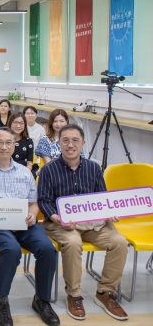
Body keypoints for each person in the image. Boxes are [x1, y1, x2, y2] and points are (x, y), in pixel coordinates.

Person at [38, 124, 129, 321]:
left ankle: (105, 292)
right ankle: (74, 295)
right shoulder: (48, 170)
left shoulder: (94, 168)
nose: (70, 145)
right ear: (59, 143)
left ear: (83, 143)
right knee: (72, 242)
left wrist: (110, 211)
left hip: (92, 224)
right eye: (65, 141)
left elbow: (102, 197)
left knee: (120, 242)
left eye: (75, 140)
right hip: (60, 224)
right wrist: (56, 217)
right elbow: (44, 201)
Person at [0, 128, 59, 326]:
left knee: (47, 249)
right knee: (11, 249)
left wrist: (33, 215)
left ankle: (42, 300)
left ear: (14, 145)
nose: (4, 147)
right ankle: (2, 300)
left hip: (23, 223)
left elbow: (33, 202)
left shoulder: (25, 172)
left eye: (8, 143)